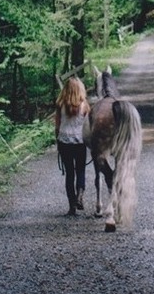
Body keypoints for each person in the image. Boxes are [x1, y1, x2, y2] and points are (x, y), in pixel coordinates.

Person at [55, 77, 90, 216]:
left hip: (64, 142)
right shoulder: (84, 105)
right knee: (80, 170)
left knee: (69, 173)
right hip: (80, 142)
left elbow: (57, 126)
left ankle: (72, 207)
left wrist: (57, 140)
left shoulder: (60, 104)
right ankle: (80, 194)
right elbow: (88, 126)